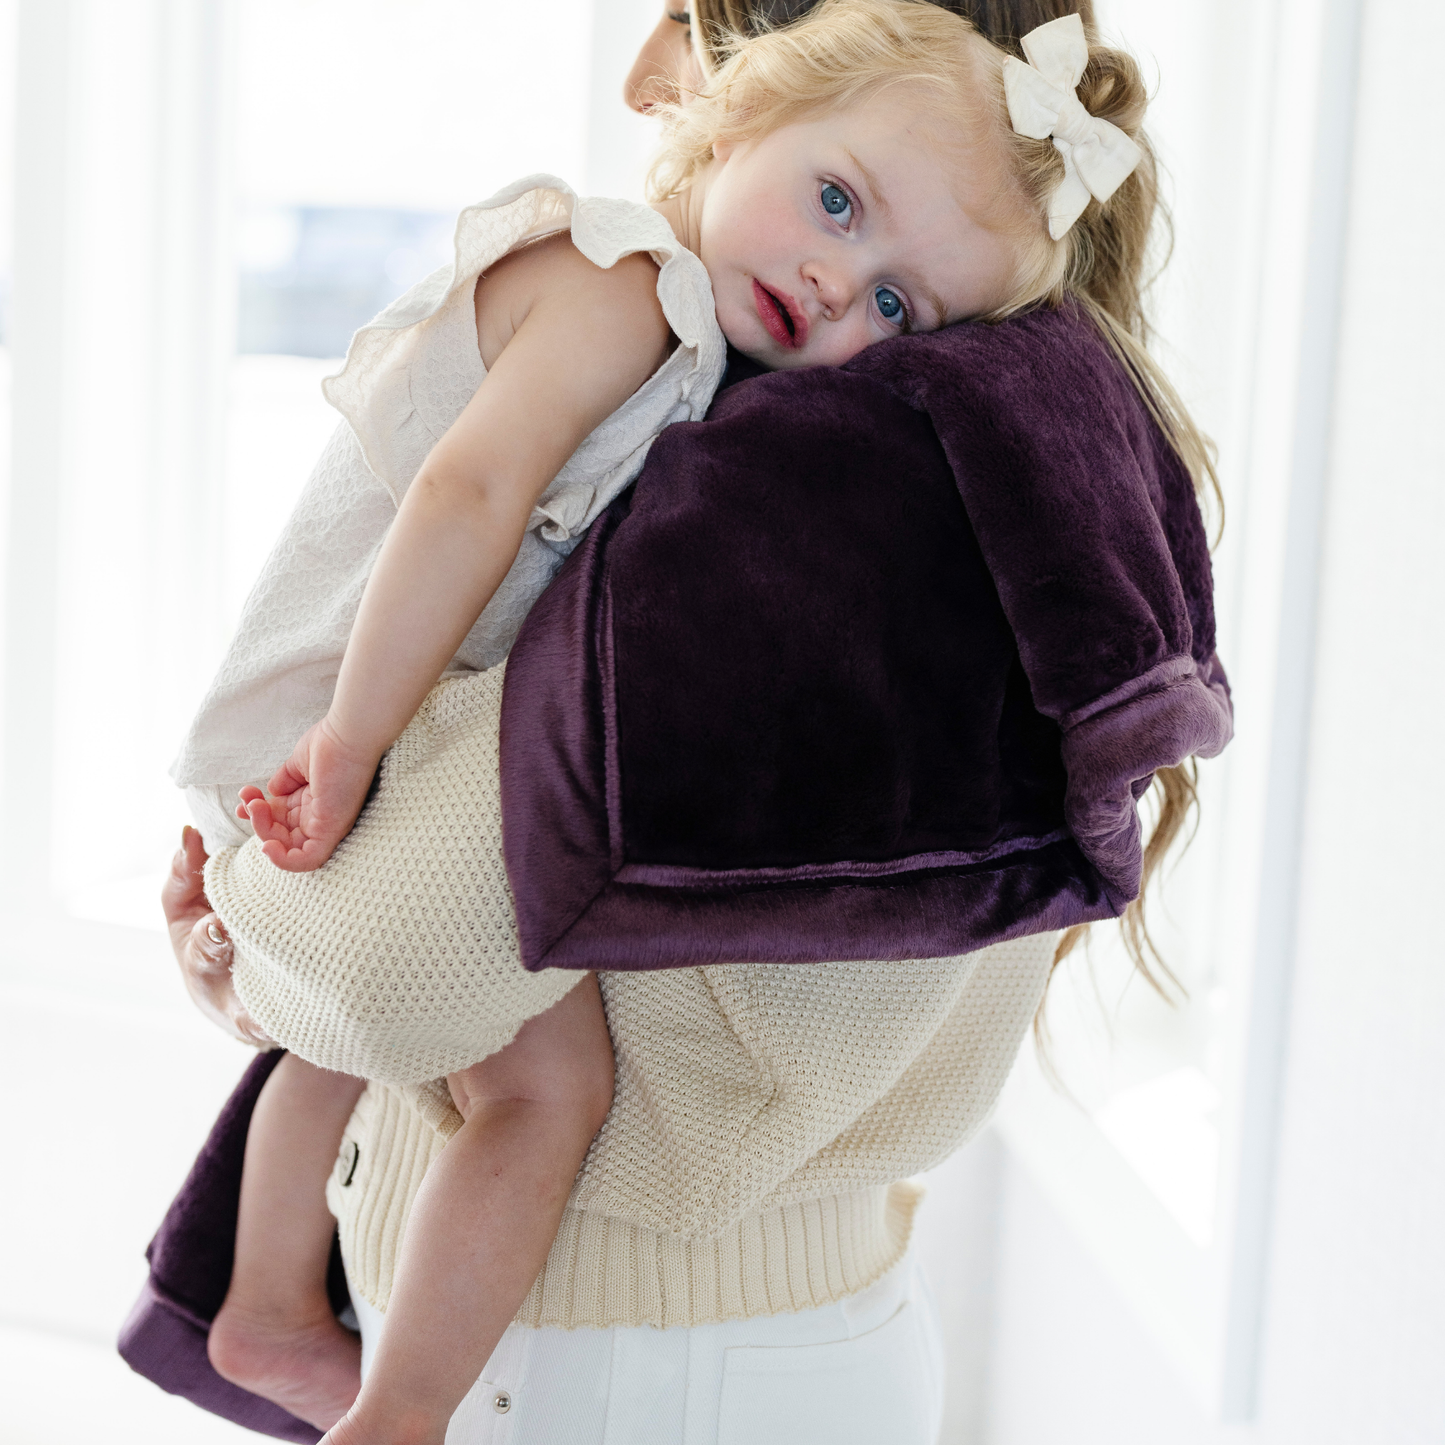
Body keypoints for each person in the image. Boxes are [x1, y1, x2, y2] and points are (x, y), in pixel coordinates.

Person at [152, 3, 1229, 1443]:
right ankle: (281, 1310)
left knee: (546, 1091)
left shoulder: (819, 428)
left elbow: (391, 969)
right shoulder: (700, 323)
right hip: (676, 1332)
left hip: (628, 1366)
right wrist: (287, 922)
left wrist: (267, 950)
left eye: (894, 301)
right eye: (833, 205)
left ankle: (370, 1391)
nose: (839, 284)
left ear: (756, 73)